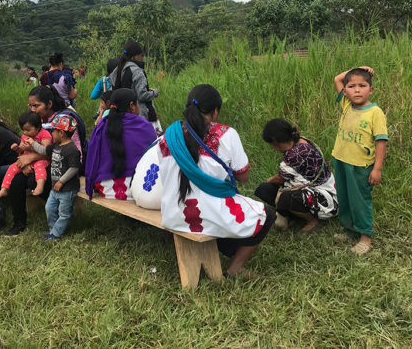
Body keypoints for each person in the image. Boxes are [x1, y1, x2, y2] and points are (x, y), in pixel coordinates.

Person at [156, 84, 275, 278]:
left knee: (220, 211)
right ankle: (235, 268)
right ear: (215, 112)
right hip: (208, 214)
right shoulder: (226, 134)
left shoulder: (167, 137)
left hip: (174, 213)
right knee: (266, 215)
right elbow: (242, 177)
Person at [5, 86, 87, 236]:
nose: (32, 110)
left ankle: (63, 210)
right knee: (17, 181)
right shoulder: (37, 123)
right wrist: (26, 161)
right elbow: (34, 147)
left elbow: (66, 153)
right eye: (30, 106)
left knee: (33, 181)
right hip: (45, 161)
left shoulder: (62, 121)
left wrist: (32, 158)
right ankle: (19, 223)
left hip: (66, 164)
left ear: (49, 104)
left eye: (36, 106)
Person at [332, 66, 388, 255]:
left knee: (359, 201)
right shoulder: (346, 105)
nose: (357, 90)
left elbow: (381, 141)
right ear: (346, 92)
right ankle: (349, 230)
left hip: (360, 166)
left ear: (370, 90)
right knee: (345, 198)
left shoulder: (375, 112)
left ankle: (365, 236)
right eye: (352, 86)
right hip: (340, 160)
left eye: (362, 85)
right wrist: (359, 67)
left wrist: (377, 168)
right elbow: (337, 79)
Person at [254, 119, 337, 233]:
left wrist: (270, 180)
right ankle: (293, 212)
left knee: (284, 197)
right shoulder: (300, 141)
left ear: (275, 143)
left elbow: (279, 178)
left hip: (325, 196)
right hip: (314, 186)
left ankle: (311, 220)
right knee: (264, 189)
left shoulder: (295, 154)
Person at [85, 88, 157, 200]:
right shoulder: (145, 126)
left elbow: (92, 158)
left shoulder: (102, 125)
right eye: (137, 104)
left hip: (106, 188)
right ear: (132, 105)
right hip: (138, 188)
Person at [27, 115, 81, 241]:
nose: (51, 134)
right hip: (55, 188)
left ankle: (56, 234)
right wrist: (32, 143)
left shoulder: (72, 150)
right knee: (49, 208)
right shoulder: (56, 145)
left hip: (67, 189)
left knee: (64, 213)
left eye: (53, 131)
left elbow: (74, 168)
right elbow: (43, 150)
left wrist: (61, 181)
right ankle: (53, 228)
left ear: (61, 132)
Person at [0, 111, 52, 200]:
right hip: (28, 161)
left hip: (41, 159)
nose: (24, 132)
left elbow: (46, 151)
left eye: (28, 130)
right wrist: (17, 148)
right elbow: (22, 151)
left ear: (38, 127)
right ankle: (4, 189)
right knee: (12, 167)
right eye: (22, 130)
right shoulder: (25, 136)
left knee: (39, 166)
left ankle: (40, 186)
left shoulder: (44, 134)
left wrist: (31, 148)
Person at [108, 41, 161, 133]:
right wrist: (155, 92)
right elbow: (142, 95)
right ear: (134, 57)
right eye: (140, 55)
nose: (141, 58)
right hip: (138, 114)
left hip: (121, 113)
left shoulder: (119, 69)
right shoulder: (137, 71)